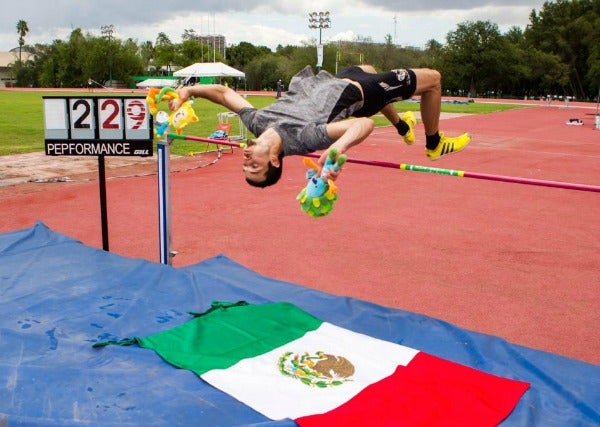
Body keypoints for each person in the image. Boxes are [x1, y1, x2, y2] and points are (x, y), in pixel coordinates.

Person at [171, 64, 470, 188]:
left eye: (245, 167)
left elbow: (224, 93)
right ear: (275, 160)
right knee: (434, 79)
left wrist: (189, 90)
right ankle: (434, 143)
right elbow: (362, 125)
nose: (246, 161)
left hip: (336, 79)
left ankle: (402, 127)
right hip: (364, 93)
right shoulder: (302, 138)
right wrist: (338, 146)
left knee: (367, 68)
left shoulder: (257, 123)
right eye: (254, 167)